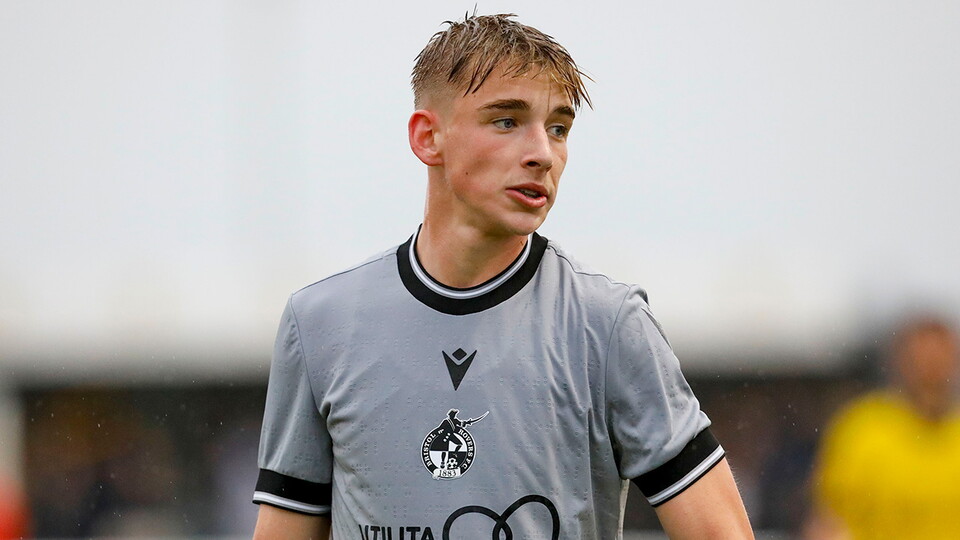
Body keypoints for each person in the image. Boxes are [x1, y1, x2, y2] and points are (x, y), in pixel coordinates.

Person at [252, 13, 753, 539]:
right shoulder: (319, 324)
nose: (542, 154)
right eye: (507, 121)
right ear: (428, 138)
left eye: (558, 128)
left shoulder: (608, 326)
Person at [805, 316, 960, 540]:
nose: (931, 374)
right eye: (922, 364)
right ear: (901, 365)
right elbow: (828, 521)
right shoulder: (862, 430)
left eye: (939, 364)